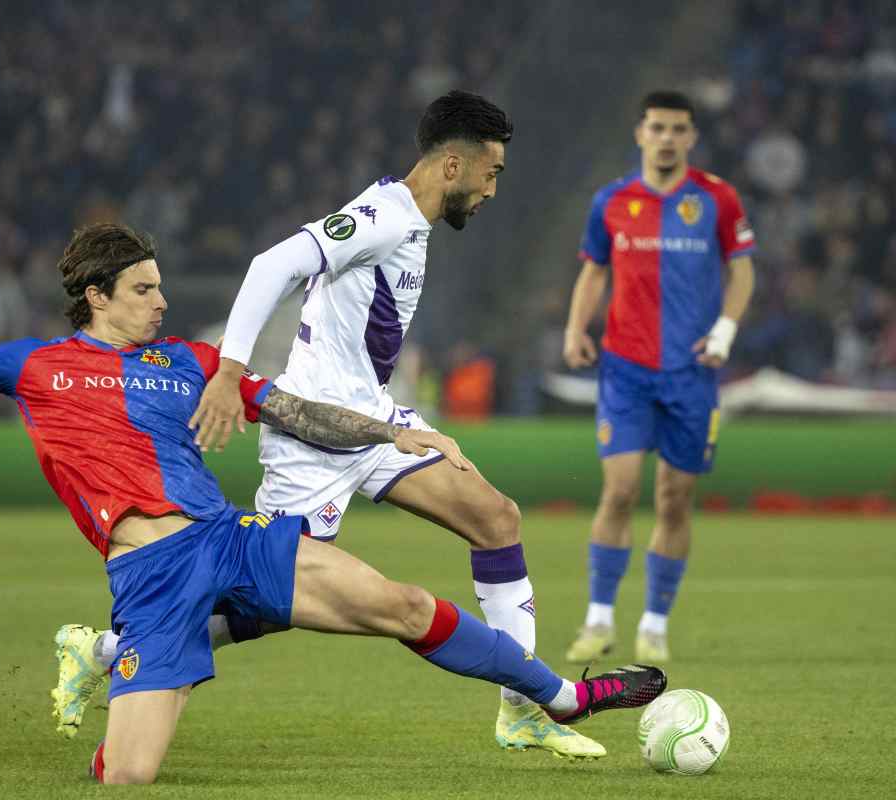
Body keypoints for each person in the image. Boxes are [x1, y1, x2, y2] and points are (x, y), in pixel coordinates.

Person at [0, 225, 666, 785]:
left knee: (400, 603)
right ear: (97, 297)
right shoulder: (35, 365)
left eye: (160, 286)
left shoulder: (189, 361)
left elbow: (293, 410)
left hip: (233, 541)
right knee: (129, 775)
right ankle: (111, 661)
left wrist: (393, 432)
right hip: (150, 575)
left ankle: (560, 698)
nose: (161, 301)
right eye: (143, 290)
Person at [87, 90, 605, 759]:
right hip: (316, 435)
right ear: (453, 166)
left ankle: (523, 709)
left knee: (496, 518)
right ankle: (110, 650)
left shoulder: (408, 222)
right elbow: (272, 265)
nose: (492, 190)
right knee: (266, 602)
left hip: (375, 419)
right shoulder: (381, 217)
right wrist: (229, 371)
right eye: (491, 173)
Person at [561, 91, 756, 664]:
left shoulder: (717, 198)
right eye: (658, 128)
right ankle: (598, 621)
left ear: (691, 137)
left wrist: (724, 330)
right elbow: (594, 271)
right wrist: (575, 329)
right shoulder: (611, 200)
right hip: (626, 368)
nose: (667, 138)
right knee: (619, 490)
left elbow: (742, 271)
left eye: (677, 129)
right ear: (640, 133)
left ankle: (654, 625)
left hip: (692, 372)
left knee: (674, 499)